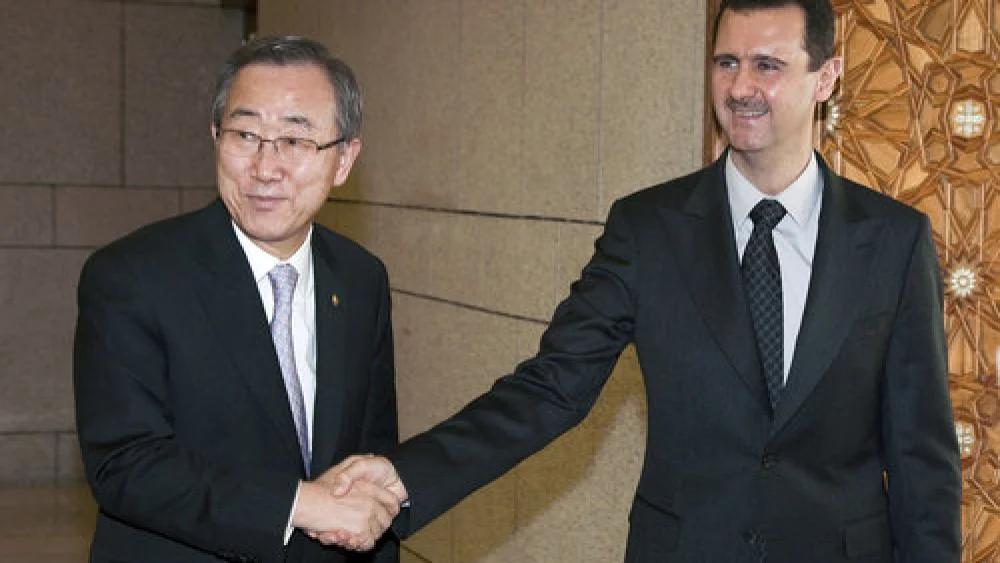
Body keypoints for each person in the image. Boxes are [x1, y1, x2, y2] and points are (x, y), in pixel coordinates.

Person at [326, 0, 962, 561]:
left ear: (824, 77)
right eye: (726, 63)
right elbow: (549, 390)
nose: (742, 87)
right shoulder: (647, 230)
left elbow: (921, 459)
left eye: (768, 65)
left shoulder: (894, 241)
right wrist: (403, 475)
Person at [74, 36, 403, 563]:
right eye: (245, 134)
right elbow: (126, 465)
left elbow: (374, 460)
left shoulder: (361, 279)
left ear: (344, 160)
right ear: (215, 137)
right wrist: (296, 505)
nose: (264, 167)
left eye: (295, 141)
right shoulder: (132, 276)